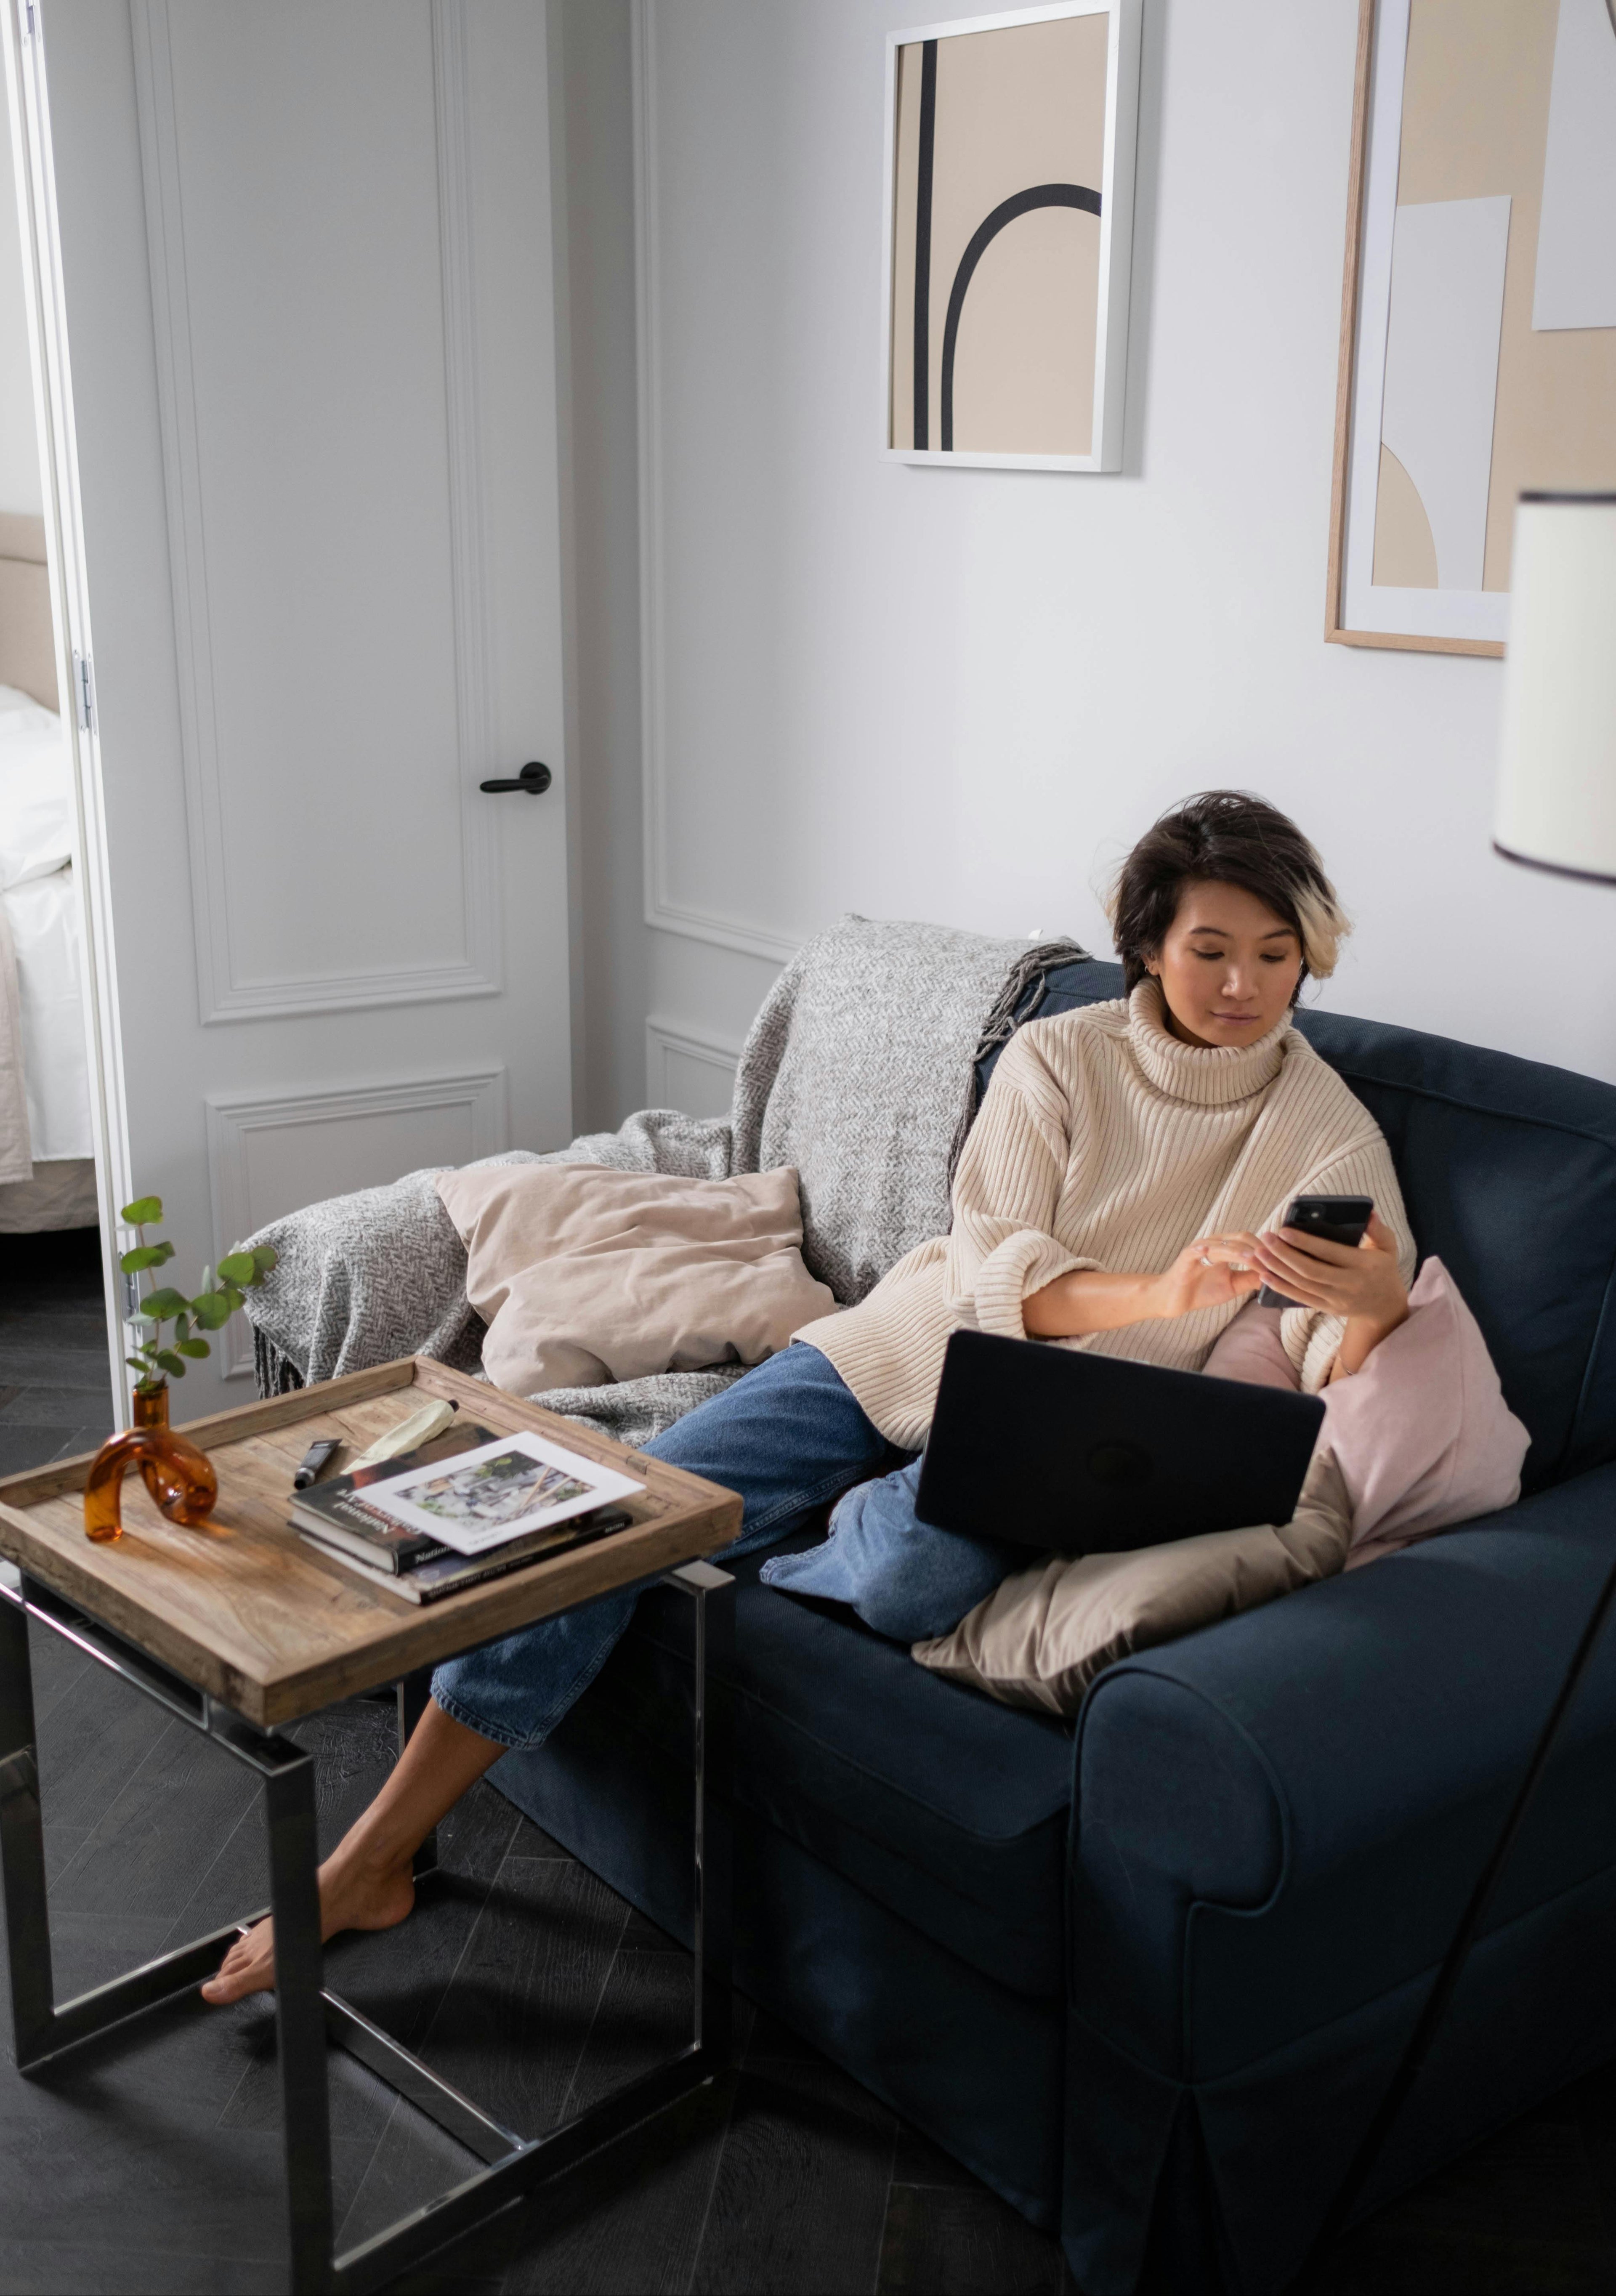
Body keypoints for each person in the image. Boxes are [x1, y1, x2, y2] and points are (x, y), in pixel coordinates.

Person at [204, 790, 1414, 2004]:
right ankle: (372, 1857)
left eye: (1277, 955)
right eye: (1212, 950)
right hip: (908, 1348)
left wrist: (1365, 1304)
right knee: (608, 1517)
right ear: (1148, 944)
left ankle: (806, 1529)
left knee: (909, 1579)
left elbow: (1335, 1359)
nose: (1246, 986)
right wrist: (1159, 1288)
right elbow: (995, 1264)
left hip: (1064, 1438)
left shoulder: (1324, 1124)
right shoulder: (1062, 1055)